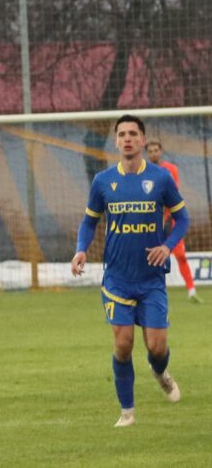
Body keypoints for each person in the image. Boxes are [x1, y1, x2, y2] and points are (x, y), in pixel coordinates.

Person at [72, 116, 188, 427]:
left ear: (142, 140)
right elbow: (89, 222)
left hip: (151, 279)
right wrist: (81, 248)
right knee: (123, 344)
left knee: (157, 347)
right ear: (116, 141)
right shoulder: (103, 181)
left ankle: (160, 371)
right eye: (122, 134)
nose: (127, 138)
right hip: (118, 279)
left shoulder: (161, 179)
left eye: (133, 133)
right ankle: (127, 412)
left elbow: (183, 219)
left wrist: (167, 246)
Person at [145, 140, 202, 303]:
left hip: (171, 219)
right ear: (147, 154)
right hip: (151, 222)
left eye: (156, 150)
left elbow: (173, 194)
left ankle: (191, 290)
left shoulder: (171, 169)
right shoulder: (143, 171)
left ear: (161, 151)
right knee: (151, 258)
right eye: (150, 151)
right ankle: (149, 291)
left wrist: (169, 215)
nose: (154, 153)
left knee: (180, 255)